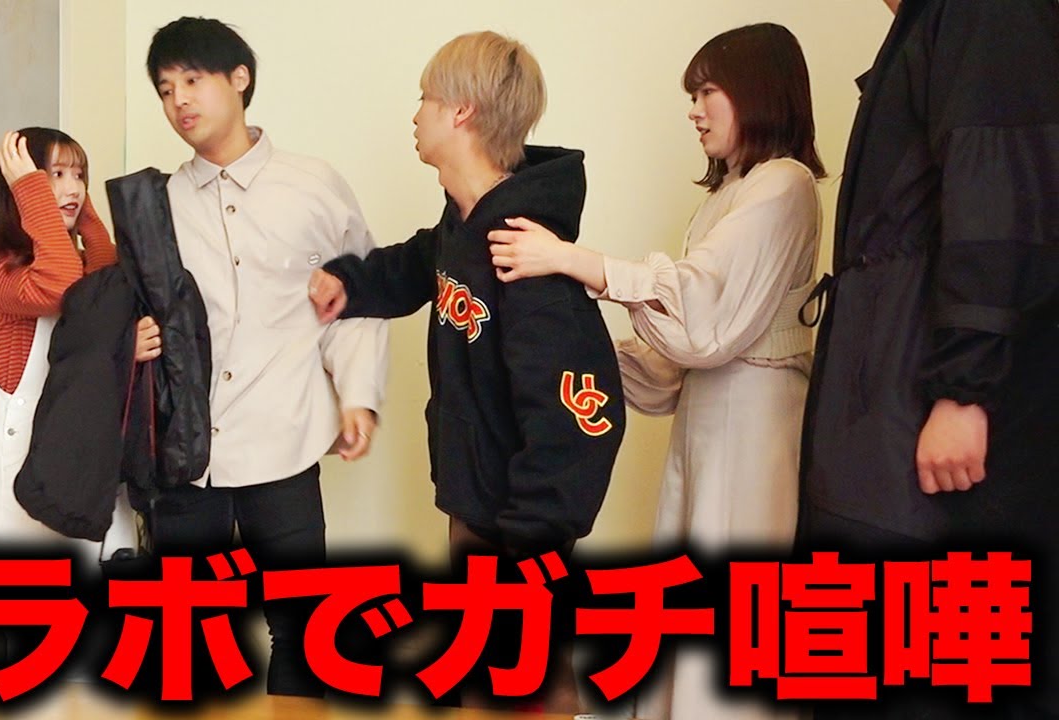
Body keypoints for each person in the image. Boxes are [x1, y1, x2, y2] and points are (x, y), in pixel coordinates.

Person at [487, 23, 825, 720]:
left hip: (753, 415)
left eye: (708, 92)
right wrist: (575, 352)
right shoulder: (731, 193)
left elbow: (704, 313)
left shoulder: (783, 184)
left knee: (732, 582)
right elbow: (681, 350)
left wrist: (573, 262)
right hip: (711, 410)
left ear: (758, 91)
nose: (695, 111)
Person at [308, 31, 624, 714]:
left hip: (519, 532)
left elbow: (580, 420)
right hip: (477, 503)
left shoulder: (525, 255)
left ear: (461, 112)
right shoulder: (466, 224)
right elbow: (423, 260)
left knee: (524, 689)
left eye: (425, 98)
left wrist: (529, 545)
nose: (414, 113)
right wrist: (350, 283)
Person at [797, 1, 1059, 718]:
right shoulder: (931, 21)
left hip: (924, 415)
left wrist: (963, 394)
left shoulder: (986, 12)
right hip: (887, 409)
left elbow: (995, 196)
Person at [142, 17, 388, 697]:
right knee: (186, 639)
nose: (179, 100)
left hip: (286, 440)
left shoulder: (313, 184)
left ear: (239, 78)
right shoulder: (156, 204)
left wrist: (358, 397)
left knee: (303, 633)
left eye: (192, 80)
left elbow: (357, 295)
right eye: (165, 89)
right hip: (187, 453)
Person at [0, 128, 153, 560]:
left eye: (80, 176)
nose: (73, 188)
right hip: (29, 448)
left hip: (90, 440)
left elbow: (106, 286)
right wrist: (32, 193)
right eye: (56, 174)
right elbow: (62, 289)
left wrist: (85, 219)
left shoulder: (75, 260)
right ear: (21, 187)